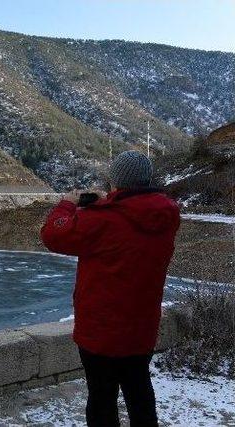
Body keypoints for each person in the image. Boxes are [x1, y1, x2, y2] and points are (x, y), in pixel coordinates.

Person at [41, 151, 180, 427]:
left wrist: (67, 205)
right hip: (142, 328)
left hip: (100, 331)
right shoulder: (166, 215)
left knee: (102, 399)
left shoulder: (102, 219)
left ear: (115, 180)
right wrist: (111, 203)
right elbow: (132, 221)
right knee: (140, 392)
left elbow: (53, 235)